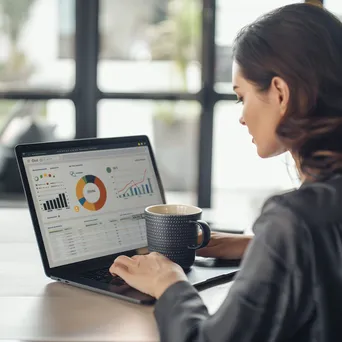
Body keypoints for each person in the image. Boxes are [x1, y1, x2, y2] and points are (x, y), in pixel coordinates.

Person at [110, 3, 342, 341]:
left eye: (241, 96)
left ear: (279, 92)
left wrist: (169, 283)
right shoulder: (313, 215)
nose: (242, 116)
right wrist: (254, 245)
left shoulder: (294, 219)